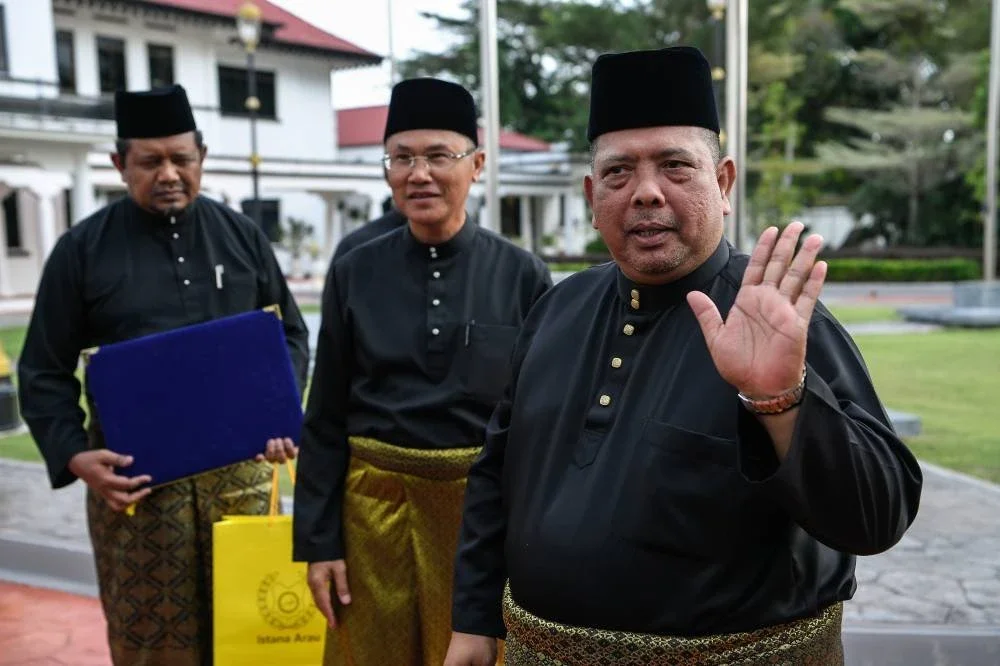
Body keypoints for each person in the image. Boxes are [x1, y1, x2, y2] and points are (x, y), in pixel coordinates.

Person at [444, 47, 923, 665]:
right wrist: (473, 620)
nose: (646, 193)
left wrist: (781, 401)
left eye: (675, 166)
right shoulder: (558, 309)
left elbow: (876, 518)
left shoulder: (772, 317)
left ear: (722, 183)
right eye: (619, 173)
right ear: (592, 195)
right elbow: (496, 471)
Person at [17, 84, 309, 666]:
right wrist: (74, 455)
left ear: (202, 156)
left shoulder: (241, 236)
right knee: (151, 646)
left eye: (182, 158)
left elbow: (291, 337)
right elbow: (43, 369)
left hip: (242, 486)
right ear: (119, 164)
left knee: (251, 640)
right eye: (150, 162)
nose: (169, 174)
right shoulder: (82, 250)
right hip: (137, 500)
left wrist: (279, 412)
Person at [293, 76, 552, 666]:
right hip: (371, 512)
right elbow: (325, 414)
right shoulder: (354, 270)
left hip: (477, 519)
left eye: (438, 156)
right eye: (402, 158)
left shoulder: (522, 275)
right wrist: (318, 543)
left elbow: (539, 424)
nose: (419, 174)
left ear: (476, 165)